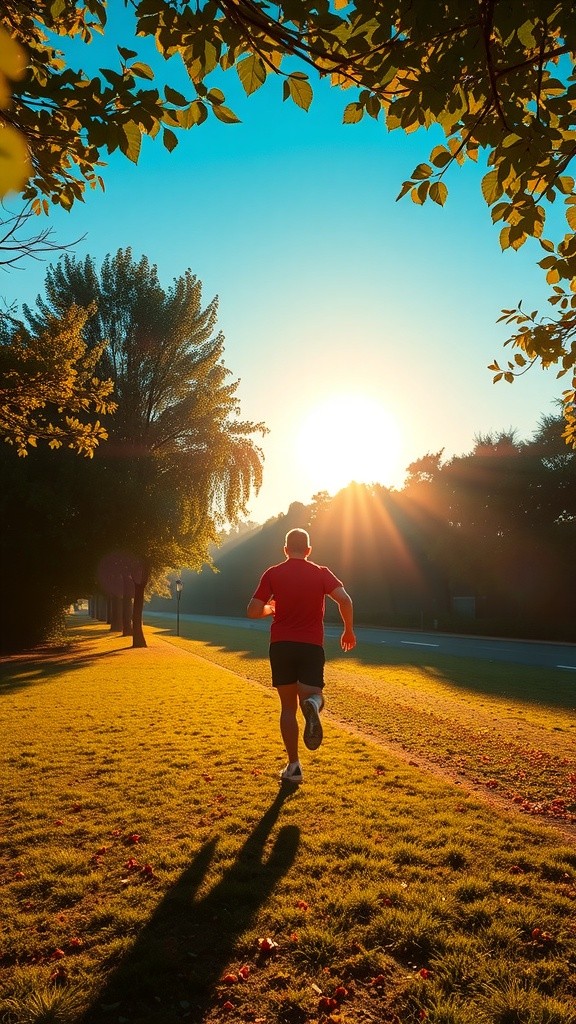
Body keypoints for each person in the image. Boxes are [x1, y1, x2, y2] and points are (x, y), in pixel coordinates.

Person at [247, 527, 356, 785]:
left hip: (282, 645)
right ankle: (314, 706)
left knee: (287, 708)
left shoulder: (273, 573)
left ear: (285, 550)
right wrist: (348, 631)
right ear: (309, 550)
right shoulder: (321, 573)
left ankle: (294, 766)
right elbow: (345, 600)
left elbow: (252, 610)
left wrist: (269, 609)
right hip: (310, 646)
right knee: (313, 696)